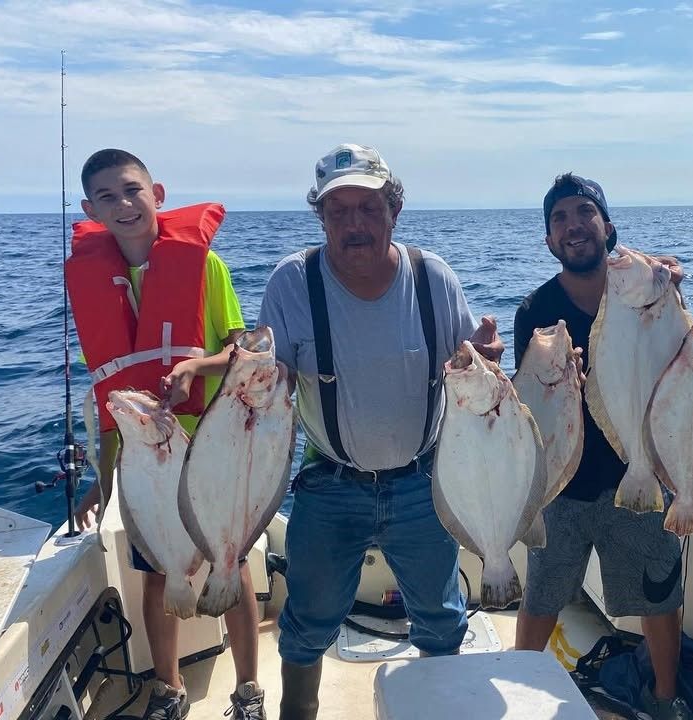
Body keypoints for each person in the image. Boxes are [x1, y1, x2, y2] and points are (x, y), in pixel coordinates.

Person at [258, 143, 505, 719]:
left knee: (441, 622)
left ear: (395, 210)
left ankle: (440, 709)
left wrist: (485, 356)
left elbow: (472, 368)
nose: (355, 224)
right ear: (320, 217)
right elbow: (270, 384)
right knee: (306, 624)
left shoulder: (433, 277)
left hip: (425, 484)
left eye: (369, 208)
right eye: (338, 211)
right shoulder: (291, 281)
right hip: (329, 484)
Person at [69, 149, 265, 720]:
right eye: (107, 197)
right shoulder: (91, 284)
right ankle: (168, 689)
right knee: (158, 576)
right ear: (90, 210)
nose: (123, 204)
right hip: (142, 462)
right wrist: (102, 480)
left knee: (230, 565)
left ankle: (249, 690)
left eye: (132, 190)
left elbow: (242, 352)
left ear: (157, 195)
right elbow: (109, 397)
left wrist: (196, 368)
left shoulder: (204, 266)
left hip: (208, 449)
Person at [513, 173, 693, 720]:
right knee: (542, 595)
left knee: (658, 595)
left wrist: (669, 283)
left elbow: (677, 359)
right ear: (549, 240)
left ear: (608, 227)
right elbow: (533, 406)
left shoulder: (646, 290)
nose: (573, 226)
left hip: (638, 475)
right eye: (560, 218)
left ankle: (664, 699)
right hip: (563, 487)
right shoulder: (535, 311)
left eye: (584, 212)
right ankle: (520, 691)